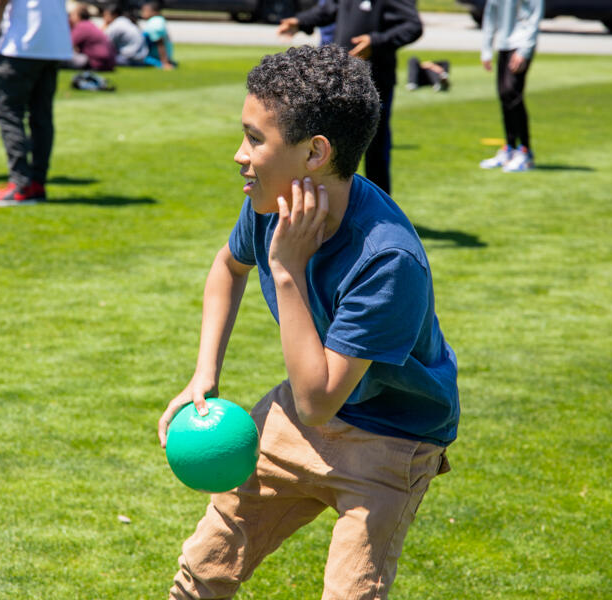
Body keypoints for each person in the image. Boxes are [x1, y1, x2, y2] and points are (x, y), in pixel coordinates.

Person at [158, 44, 458, 600]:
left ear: (315, 152)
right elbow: (227, 269)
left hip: (391, 437)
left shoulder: (387, 259)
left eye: (255, 138)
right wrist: (204, 373)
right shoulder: (271, 201)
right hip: (295, 419)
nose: (239, 155)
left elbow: (320, 400)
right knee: (203, 569)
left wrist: (288, 269)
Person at [278, 0, 423, 195]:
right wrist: (301, 21)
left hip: (374, 82)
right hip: (339, 82)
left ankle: (379, 213)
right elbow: (330, 9)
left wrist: (376, 41)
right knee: (328, 147)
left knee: (375, 149)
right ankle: (326, 208)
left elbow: (413, 26)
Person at [0, 0, 73, 206]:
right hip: (53, 45)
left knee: (9, 114)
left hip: (21, 45)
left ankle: (20, 184)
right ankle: (37, 183)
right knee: (42, 117)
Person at [478, 0, 542, 172]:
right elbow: (491, 13)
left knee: (512, 92)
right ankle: (510, 148)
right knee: (504, 95)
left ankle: (525, 151)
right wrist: (486, 47)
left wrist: (525, 50)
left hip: (521, 44)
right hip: (504, 44)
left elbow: (535, 16)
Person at [66, 2, 117, 71]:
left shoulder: (81, 26)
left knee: (63, 58)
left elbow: (67, 44)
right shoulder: (89, 25)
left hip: (96, 62)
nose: (69, 18)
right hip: (108, 62)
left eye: (72, 15)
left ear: (78, 16)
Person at [102, 2, 149, 67]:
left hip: (131, 58)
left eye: (106, 15)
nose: (104, 18)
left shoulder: (116, 25)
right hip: (141, 58)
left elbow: (105, 42)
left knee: (101, 58)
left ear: (114, 15)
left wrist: (105, 25)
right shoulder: (125, 20)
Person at [140, 1, 176, 70]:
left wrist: (165, 63)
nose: (142, 13)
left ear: (154, 12)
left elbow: (160, 43)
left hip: (156, 58)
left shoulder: (155, 23)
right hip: (159, 57)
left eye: (145, 10)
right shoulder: (159, 20)